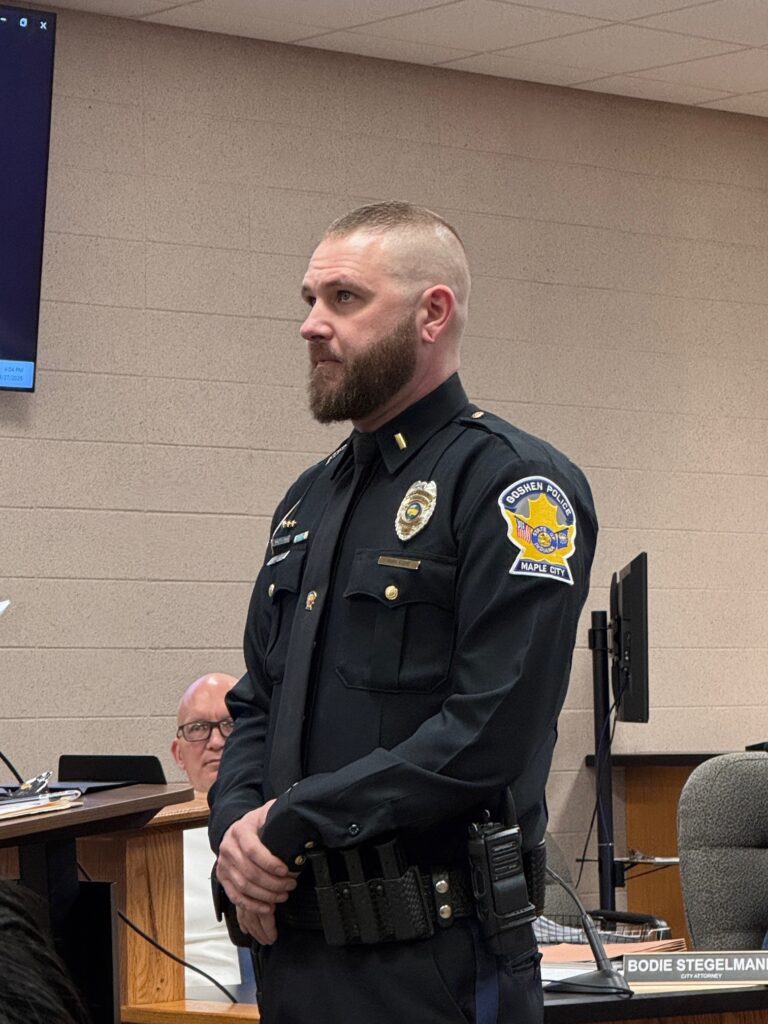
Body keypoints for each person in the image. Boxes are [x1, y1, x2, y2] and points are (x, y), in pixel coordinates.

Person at [209, 202, 598, 1024]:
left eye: (344, 299)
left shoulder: (512, 485)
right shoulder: (310, 499)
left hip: (434, 962)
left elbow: (489, 732)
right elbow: (257, 700)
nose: (312, 325)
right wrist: (237, 831)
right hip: (294, 953)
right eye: (310, 300)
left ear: (432, 313)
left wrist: (294, 821)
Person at [171, 672, 246, 993]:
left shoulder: (277, 822)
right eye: (198, 728)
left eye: (230, 724)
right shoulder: (150, 840)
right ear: (178, 754)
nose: (216, 742)